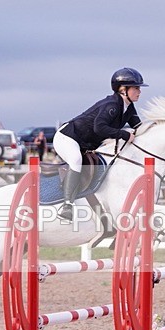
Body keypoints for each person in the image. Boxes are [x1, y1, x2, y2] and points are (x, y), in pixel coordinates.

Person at [52, 67, 146, 220]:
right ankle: (67, 205)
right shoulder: (112, 105)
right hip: (68, 138)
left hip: (85, 144)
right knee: (76, 161)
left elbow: (139, 128)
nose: (139, 91)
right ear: (123, 89)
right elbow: (99, 128)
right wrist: (123, 134)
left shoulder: (128, 108)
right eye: (136, 88)